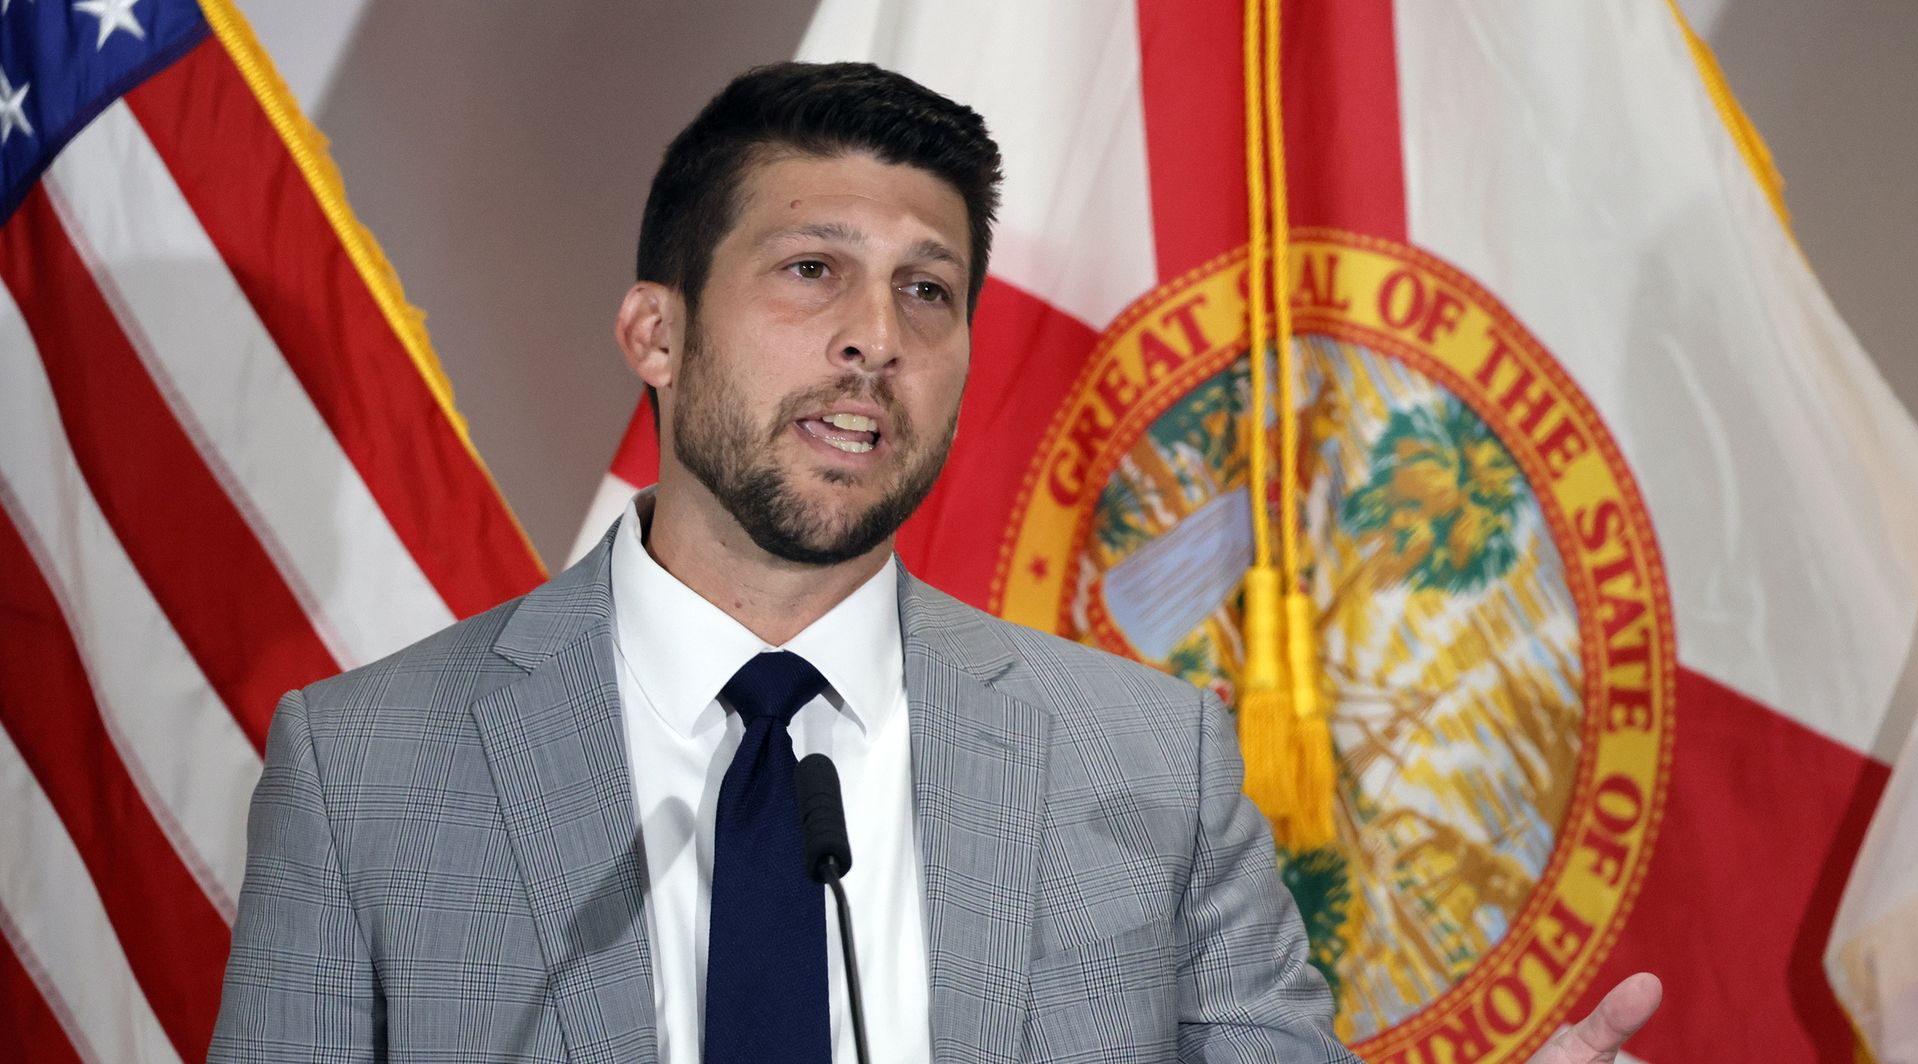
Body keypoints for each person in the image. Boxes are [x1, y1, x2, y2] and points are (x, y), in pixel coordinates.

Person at [208, 61, 1660, 1063]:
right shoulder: (370, 770)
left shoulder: (1151, 765)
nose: (877, 338)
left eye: (928, 289)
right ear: (655, 334)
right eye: (810, 270)